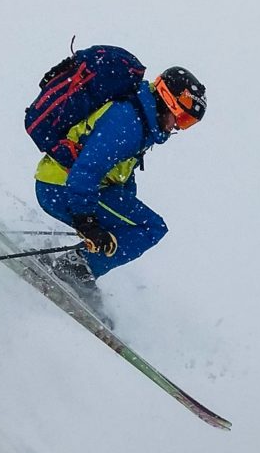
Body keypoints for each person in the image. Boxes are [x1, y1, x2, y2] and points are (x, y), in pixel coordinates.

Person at [35, 64, 206, 300]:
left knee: (144, 226)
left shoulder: (141, 120)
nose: (179, 126)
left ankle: (79, 265)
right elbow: (87, 168)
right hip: (60, 186)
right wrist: (86, 220)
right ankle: (76, 267)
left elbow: (120, 176)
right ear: (168, 100)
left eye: (188, 123)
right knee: (150, 227)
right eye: (183, 118)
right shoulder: (128, 121)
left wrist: (117, 216)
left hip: (66, 185)